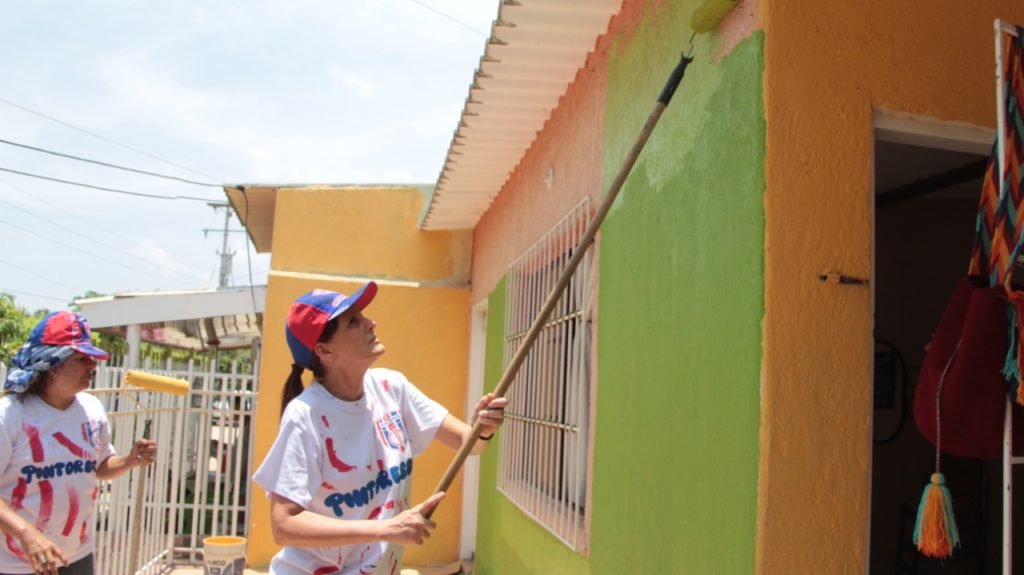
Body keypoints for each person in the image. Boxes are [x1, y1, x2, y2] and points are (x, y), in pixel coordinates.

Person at [253, 282, 506, 575]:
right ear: (324, 350)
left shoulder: (391, 388)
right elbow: (284, 525)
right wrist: (386, 529)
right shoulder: (306, 415)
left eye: (362, 315)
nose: (370, 322)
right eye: (353, 321)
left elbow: (470, 444)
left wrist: (483, 426)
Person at [0, 311, 157, 575]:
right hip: (16, 565)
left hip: (77, 557)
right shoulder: (10, 416)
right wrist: (27, 534)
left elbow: (100, 466)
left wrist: (129, 460)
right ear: (52, 365)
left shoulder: (91, 409)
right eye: (81, 358)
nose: (92, 365)